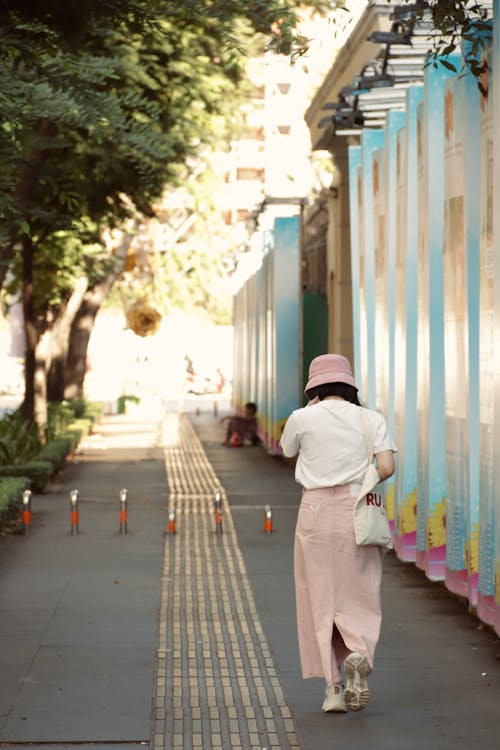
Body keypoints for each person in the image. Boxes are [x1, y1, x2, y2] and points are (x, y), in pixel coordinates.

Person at [280, 354, 396, 714]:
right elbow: (387, 466)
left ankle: (331, 690)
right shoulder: (370, 418)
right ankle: (358, 652)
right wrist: (362, 484)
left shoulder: (302, 417)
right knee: (360, 591)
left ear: (314, 387)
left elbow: (287, 451)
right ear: (349, 385)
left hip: (313, 512)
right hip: (355, 509)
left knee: (317, 596)